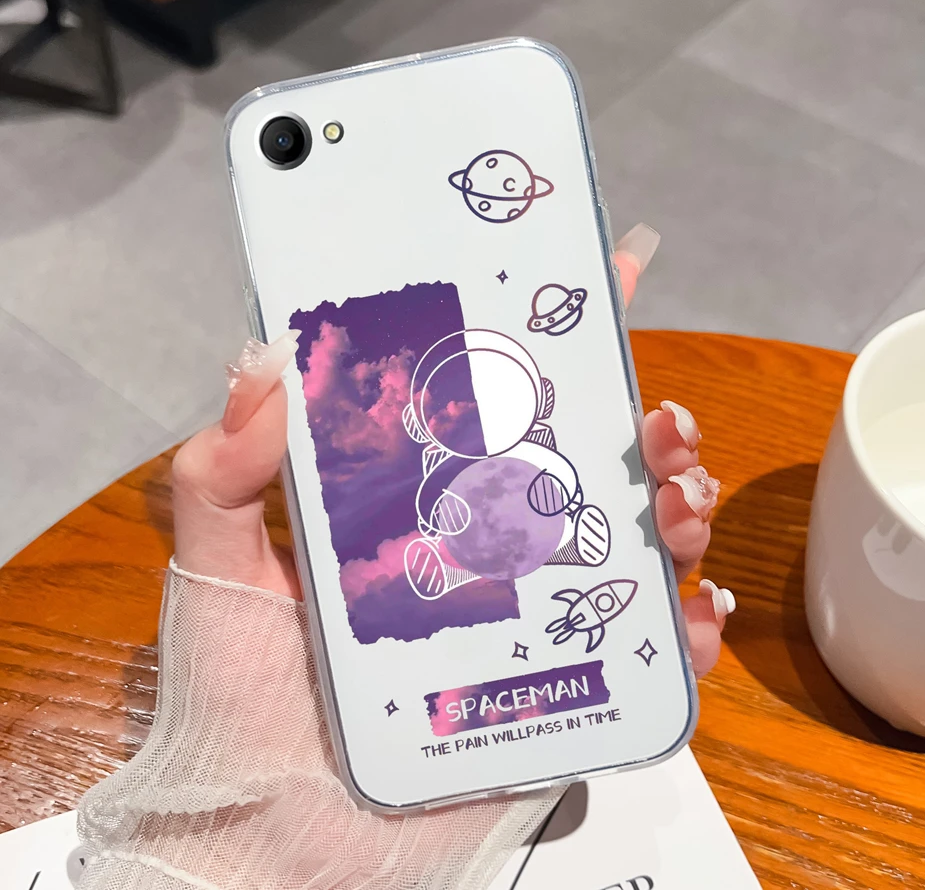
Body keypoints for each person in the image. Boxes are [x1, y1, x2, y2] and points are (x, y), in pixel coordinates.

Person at [75, 227, 734, 890]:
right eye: (448, 404)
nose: (467, 410)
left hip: (539, 529)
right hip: (477, 550)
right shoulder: (433, 462)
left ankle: (560, 545)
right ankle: (491, 560)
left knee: (582, 525)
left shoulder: (525, 434)